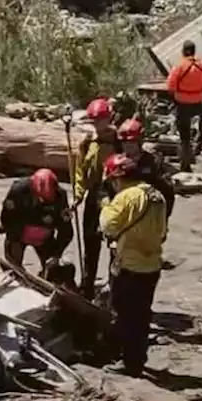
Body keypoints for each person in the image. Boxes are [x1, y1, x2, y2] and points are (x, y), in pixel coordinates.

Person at [99, 154, 169, 377]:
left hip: (129, 265)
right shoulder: (157, 195)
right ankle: (137, 358)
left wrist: (105, 206)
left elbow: (108, 226)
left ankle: (129, 362)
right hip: (152, 265)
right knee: (142, 315)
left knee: (125, 315)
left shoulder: (125, 197)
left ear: (116, 178)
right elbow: (163, 233)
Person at [72, 97, 119, 299]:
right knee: (90, 241)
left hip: (114, 195)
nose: (98, 125)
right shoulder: (87, 143)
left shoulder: (120, 141)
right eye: (95, 122)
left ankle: (113, 284)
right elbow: (80, 172)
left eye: (101, 120)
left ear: (109, 118)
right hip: (93, 195)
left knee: (114, 242)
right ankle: (88, 284)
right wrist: (77, 195)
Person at [0, 169, 74, 282]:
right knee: (13, 271)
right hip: (18, 234)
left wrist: (56, 254)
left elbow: (66, 230)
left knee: (56, 271)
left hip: (44, 237)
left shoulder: (61, 196)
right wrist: (13, 233)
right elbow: (6, 216)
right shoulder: (18, 190)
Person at [115, 119, 176, 220]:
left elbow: (168, 192)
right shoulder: (117, 163)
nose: (127, 146)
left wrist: (162, 218)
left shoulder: (153, 163)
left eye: (131, 142)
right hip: (124, 216)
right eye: (124, 142)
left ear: (139, 141)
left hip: (148, 216)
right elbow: (106, 190)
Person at [165, 41, 202, 173]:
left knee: (184, 135)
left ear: (183, 51)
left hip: (183, 103)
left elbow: (170, 86)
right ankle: (192, 155)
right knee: (193, 131)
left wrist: (177, 95)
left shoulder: (179, 66)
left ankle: (185, 164)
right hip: (198, 104)